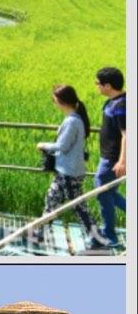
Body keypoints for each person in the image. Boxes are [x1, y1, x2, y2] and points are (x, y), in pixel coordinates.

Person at [36, 85, 108, 247]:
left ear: (61, 101)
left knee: (78, 207)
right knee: (51, 199)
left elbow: (62, 146)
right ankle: (40, 233)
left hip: (70, 173)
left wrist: (44, 145)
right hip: (66, 171)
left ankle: (96, 238)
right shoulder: (74, 119)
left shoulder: (72, 122)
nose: (53, 102)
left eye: (54, 99)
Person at [92, 67, 126, 246]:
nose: (96, 86)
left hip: (112, 160)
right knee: (110, 193)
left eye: (98, 83)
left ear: (107, 85)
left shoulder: (121, 105)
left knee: (102, 192)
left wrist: (122, 162)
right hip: (109, 157)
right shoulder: (113, 102)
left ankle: (110, 236)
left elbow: (127, 135)